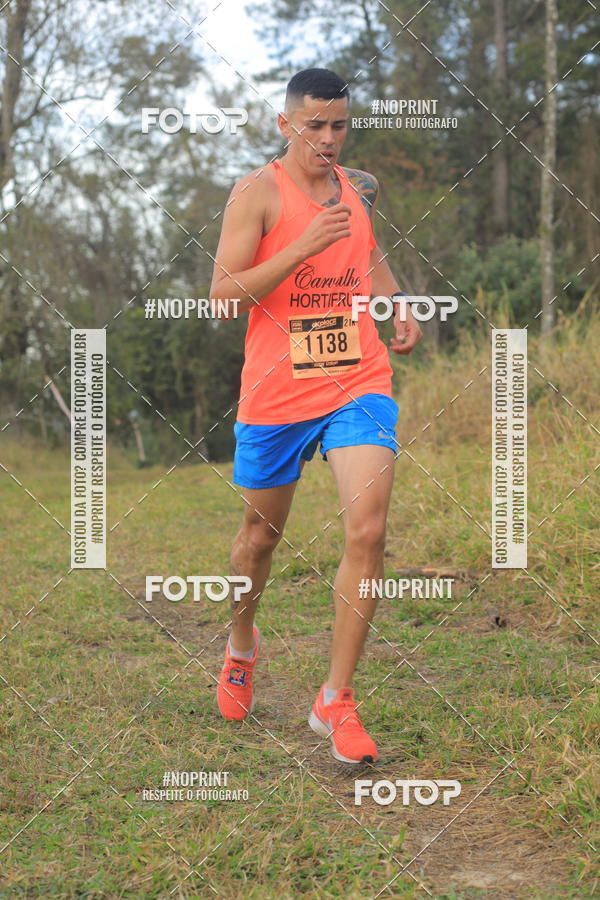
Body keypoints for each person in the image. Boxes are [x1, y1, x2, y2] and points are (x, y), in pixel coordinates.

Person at [209, 67, 422, 764]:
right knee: (258, 540)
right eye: (315, 125)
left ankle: (335, 700)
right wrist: (300, 246)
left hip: (357, 380)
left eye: (339, 125)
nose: (328, 138)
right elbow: (221, 297)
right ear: (285, 125)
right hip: (277, 391)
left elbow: (369, 251)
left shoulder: (355, 188)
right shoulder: (257, 194)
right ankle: (243, 644)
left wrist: (394, 301)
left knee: (368, 527)